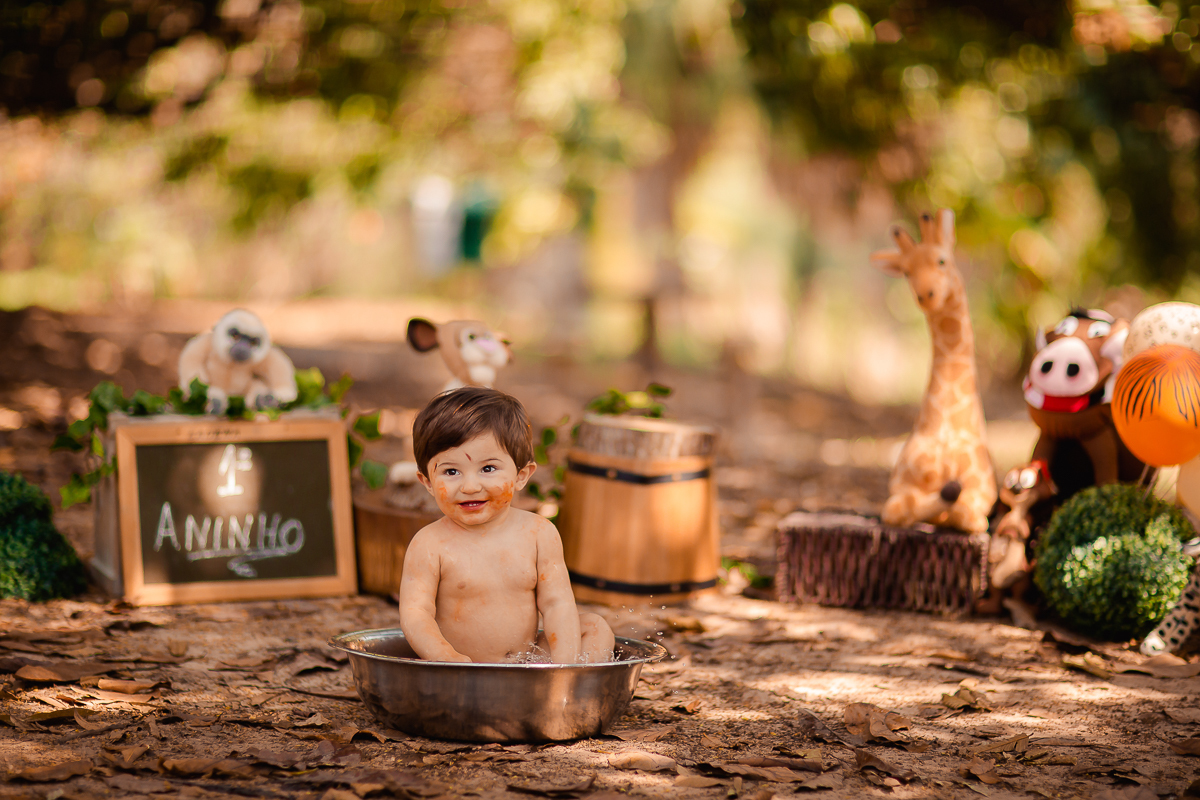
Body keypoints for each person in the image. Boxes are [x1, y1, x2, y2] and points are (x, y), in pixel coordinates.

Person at [399, 386, 615, 664]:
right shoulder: (429, 544)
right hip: (460, 670)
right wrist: (445, 657)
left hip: (527, 663)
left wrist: (564, 664)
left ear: (521, 475)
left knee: (595, 627)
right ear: (427, 482)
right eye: (451, 471)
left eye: (488, 469)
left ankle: (568, 691)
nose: (470, 486)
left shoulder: (538, 533)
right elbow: (416, 614)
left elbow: (556, 604)